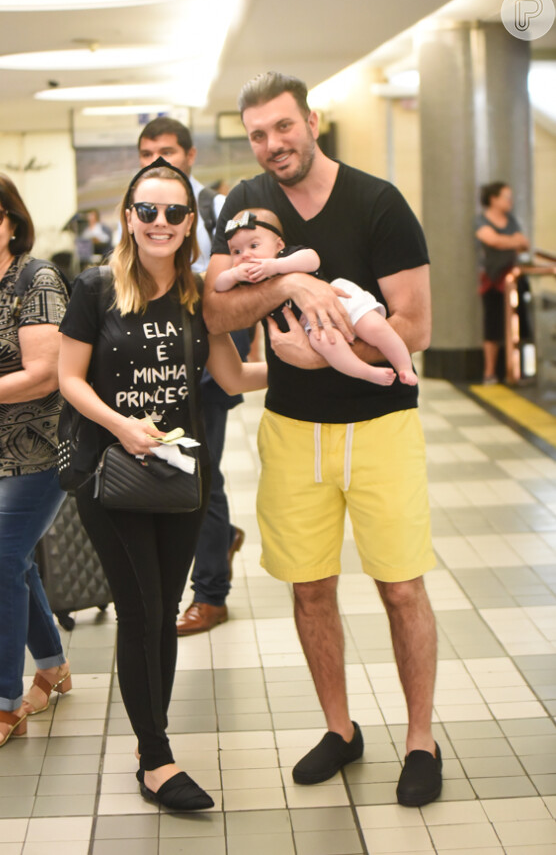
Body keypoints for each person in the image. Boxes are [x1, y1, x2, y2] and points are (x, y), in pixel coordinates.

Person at [203, 72, 441, 808]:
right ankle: (340, 730)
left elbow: (416, 326)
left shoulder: (379, 203)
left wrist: (334, 354)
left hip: (382, 427)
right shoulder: (246, 205)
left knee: (402, 587)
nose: (272, 146)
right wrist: (288, 289)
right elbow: (215, 308)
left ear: (311, 120)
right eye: (257, 136)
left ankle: (421, 740)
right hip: (292, 431)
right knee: (310, 589)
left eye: (282, 127)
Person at [58, 158, 267, 811]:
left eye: (174, 212)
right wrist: (120, 425)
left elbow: (231, 378)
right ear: (128, 217)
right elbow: (68, 378)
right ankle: (156, 759)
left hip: (181, 474)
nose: (159, 222)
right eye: (146, 210)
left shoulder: (198, 294)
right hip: (110, 473)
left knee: (163, 616)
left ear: (188, 223)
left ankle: (157, 744)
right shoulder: (95, 288)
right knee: (142, 610)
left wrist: (309, 367)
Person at [138, 116, 248, 635]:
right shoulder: (139, 212)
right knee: (183, 471)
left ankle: (211, 594)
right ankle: (218, 546)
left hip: (207, 368)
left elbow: (242, 294)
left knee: (201, 473)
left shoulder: (217, 209)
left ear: (190, 155)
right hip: (155, 369)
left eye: (167, 151)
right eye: (146, 153)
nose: (157, 161)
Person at [0, 172, 71, 753]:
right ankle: (54, 666)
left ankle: (2, 705)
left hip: (30, 448)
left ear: (13, 222)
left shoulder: (35, 279)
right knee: (6, 562)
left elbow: (43, 374)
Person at [218, 207, 418, 386]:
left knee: (374, 326)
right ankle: (366, 372)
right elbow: (219, 285)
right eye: (236, 251)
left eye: (253, 246)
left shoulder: (285, 256)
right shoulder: (246, 278)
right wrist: (233, 274)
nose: (245, 255)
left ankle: (403, 366)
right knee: (327, 344)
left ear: (279, 244)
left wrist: (277, 266)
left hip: (337, 299)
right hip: (312, 324)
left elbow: (312, 259)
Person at [475, 182, 530, 384]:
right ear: (494, 199)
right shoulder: (481, 221)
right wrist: (510, 240)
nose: (510, 201)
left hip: (514, 281)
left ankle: (517, 370)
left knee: (520, 326)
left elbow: (524, 243)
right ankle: (489, 372)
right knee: (492, 326)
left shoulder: (511, 220)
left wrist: (504, 240)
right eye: (506, 197)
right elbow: (493, 241)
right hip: (493, 282)